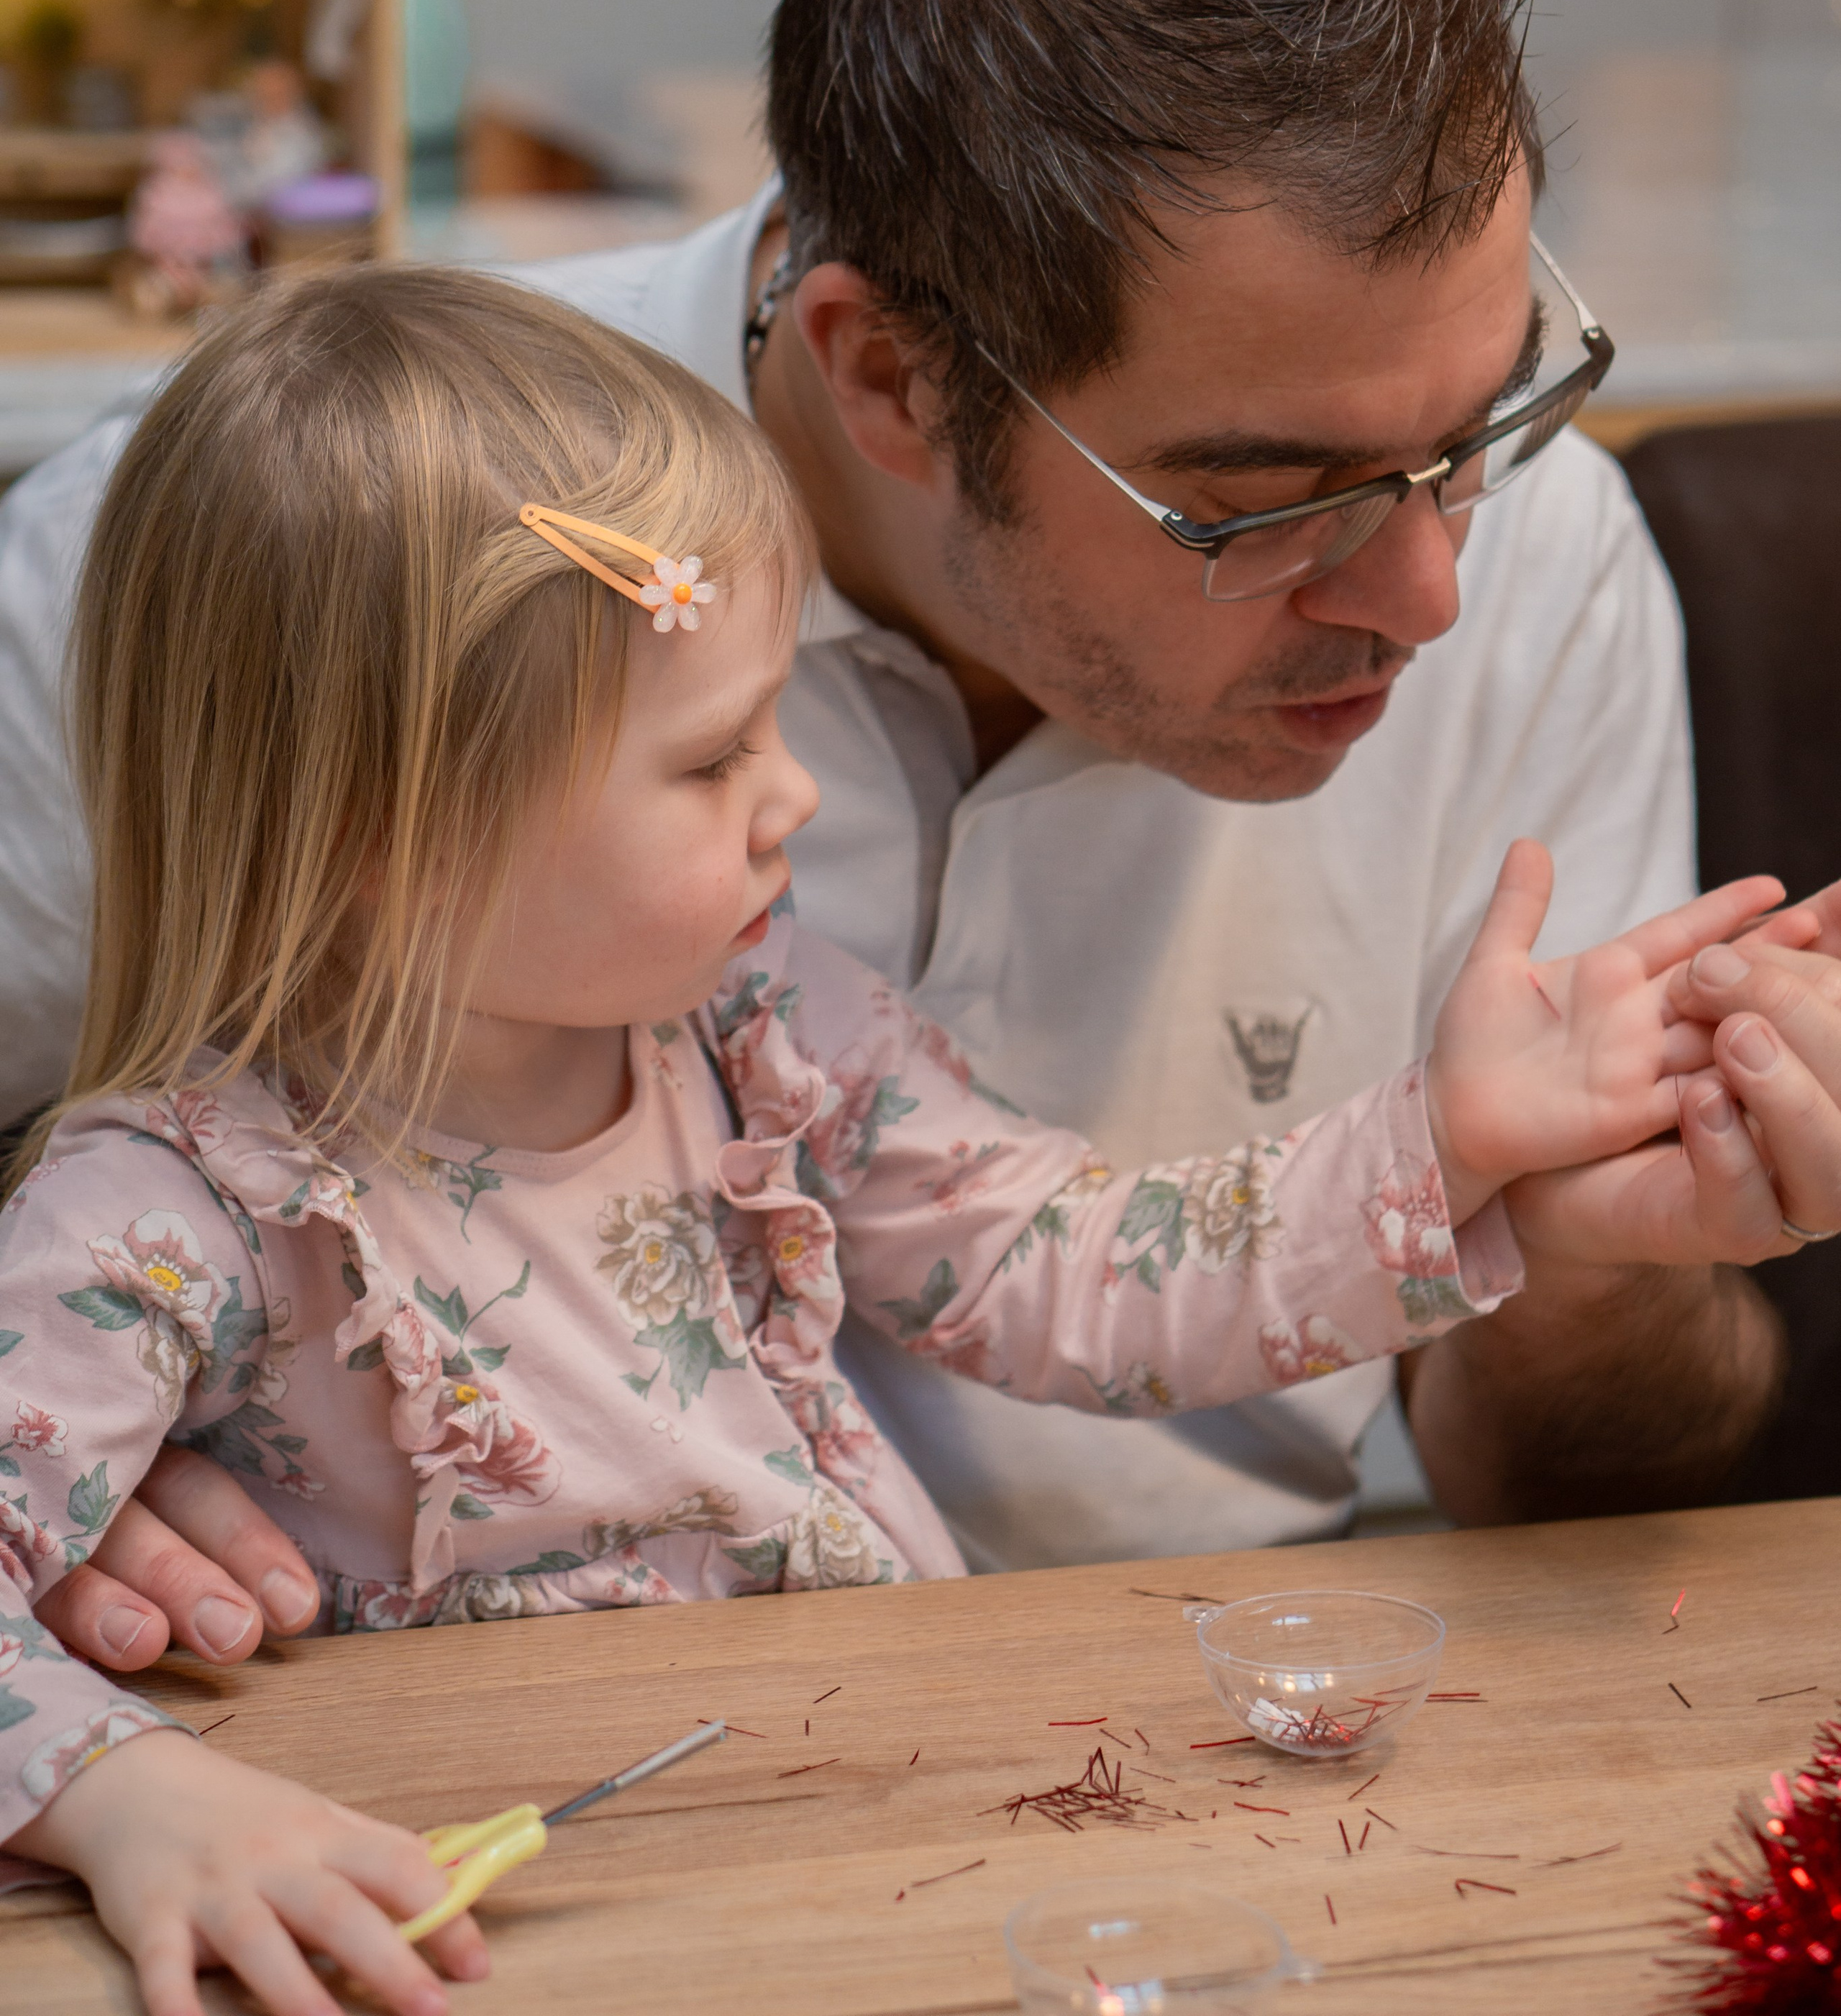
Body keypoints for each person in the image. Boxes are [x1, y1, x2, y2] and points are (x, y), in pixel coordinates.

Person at [0, 0, 1829, 1680]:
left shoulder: (1547, 567)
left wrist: (1572, 1235)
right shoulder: (275, 555)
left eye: (1476, 436)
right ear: (881, 373)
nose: (1433, 589)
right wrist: (97, 1436)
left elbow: (1262, 1347)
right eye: (1268, 501)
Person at [1, 265, 1797, 2016]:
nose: (792, 795)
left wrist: (1451, 1134)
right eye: (711, 763)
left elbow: (1074, 1271)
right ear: (381, 837)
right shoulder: (166, 1215)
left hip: (868, 1830)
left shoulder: (758, 1024)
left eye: (777, 721)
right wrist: (137, 1801)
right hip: (487, 1899)